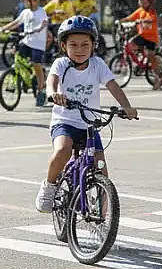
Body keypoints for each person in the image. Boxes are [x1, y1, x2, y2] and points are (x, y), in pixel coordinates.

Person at [34, 16, 138, 212]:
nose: (79, 50)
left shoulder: (97, 64)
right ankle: (49, 187)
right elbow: (52, 81)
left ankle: (103, 215)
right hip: (64, 122)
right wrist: (53, 94)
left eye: (85, 45)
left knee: (101, 167)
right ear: (64, 46)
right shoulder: (61, 64)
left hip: (89, 125)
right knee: (63, 150)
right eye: (73, 45)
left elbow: (113, 86)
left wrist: (127, 107)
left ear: (93, 45)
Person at [0, 0, 50, 106]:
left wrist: (38, 28)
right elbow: (16, 23)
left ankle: (41, 90)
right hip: (27, 41)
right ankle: (24, 77)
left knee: (36, 65)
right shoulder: (25, 12)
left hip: (37, 44)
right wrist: (3, 28)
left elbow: (43, 23)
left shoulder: (41, 12)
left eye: (25, 0)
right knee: (16, 54)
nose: (24, 2)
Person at [120, 0, 162, 90]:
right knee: (130, 44)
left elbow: (151, 19)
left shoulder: (152, 12)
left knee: (151, 58)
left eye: (144, 1)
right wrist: (121, 21)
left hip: (151, 39)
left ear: (150, 2)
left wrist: (142, 21)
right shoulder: (139, 11)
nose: (141, 3)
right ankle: (140, 59)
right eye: (140, 0)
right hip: (142, 36)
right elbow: (130, 18)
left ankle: (159, 78)